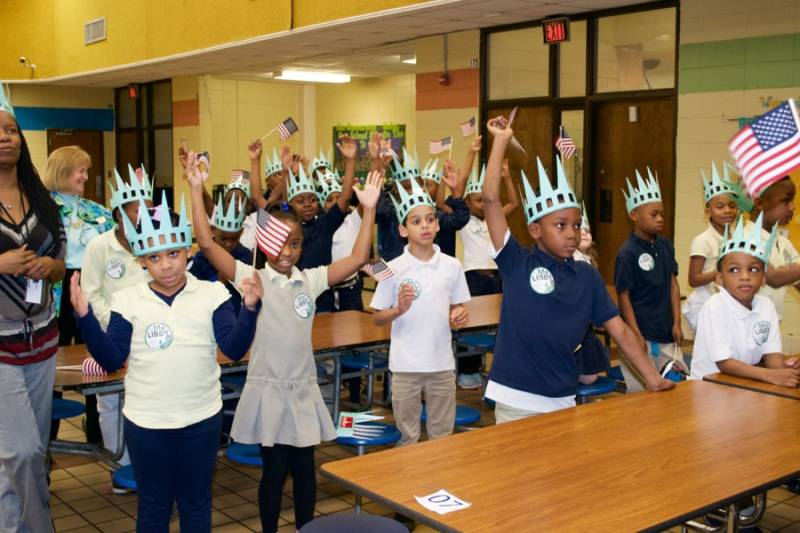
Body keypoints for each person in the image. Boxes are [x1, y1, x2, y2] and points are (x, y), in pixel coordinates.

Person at [186, 151, 382, 533]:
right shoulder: (251, 276)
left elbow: (359, 257)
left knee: (306, 473)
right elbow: (208, 245)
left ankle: (305, 530)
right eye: (278, 243)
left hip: (303, 391)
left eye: (294, 244)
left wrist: (368, 209)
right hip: (270, 391)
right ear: (263, 242)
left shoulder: (310, 280)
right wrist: (196, 189)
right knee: (273, 474)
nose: (286, 252)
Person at [72, 193, 260, 532]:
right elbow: (113, 358)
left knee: (196, 503)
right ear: (142, 261)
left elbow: (233, 349)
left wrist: (248, 309)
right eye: (155, 257)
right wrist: (85, 318)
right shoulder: (127, 299)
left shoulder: (211, 293)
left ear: (189, 251)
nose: (166, 265)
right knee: (154, 506)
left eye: (174, 253)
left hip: (201, 418)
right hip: (146, 423)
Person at [481, 114, 673, 423]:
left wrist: (651, 377)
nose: (571, 232)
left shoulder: (586, 276)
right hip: (515, 397)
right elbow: (490, 200)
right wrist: (500, 141)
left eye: (576, 224)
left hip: (562, 397)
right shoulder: (517, 261)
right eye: (560, 225)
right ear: (534, 230)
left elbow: (620, 330)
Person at [0, 82, 66, 533]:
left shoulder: (40, 198)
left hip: (42, 339)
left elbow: (64, 264)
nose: (6, 136)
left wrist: (49, 266)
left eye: (11, 129)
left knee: (26, 451)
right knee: (21, 452)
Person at [372, 176, 470, 445]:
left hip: (442, 364)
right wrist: (397, 310)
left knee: (442, 437)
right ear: (403, 230)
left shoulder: (452, 266)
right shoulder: (391, 268)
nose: (424, 225)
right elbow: (378, 318)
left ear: (438, 224)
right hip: (405, 367)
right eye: (416, 221)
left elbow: (458, 310)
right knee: (408, 436)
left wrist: (459, 315)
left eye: (429, 219)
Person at [80, 165, 154, 489]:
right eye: (136, 208)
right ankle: (119, 466)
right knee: (111, 402)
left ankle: (147, 464)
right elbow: (90, 291)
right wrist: (116, 323)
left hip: (150, 338)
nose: (142, 214)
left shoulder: (154, 242)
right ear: (119, 213)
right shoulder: (100, 246)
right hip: (111, 335)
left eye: (147, 206)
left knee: (146, 399)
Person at [43, 145, 112, 446]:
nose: (86, 175)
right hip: (54, 289)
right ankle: (48, 441)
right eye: (80, 170)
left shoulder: (98, 211)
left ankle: (99, 434)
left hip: (91, 286)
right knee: (52, 362)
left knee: (95, 356)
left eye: (86, 169)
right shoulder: (40, 207)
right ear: (62, 171)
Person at [689, 213, 800, 385]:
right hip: (709, 387)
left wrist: (785, 371)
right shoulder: (714, 306)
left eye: (754, 270)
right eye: (734, 270)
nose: (745, 276)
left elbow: (772, 356)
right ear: (719, 278)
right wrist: (770, 375)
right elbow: (724, 363)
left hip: (743, 383)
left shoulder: (766, 306)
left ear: (764, 279)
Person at [614, 168, 685, 392]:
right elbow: (623, 296)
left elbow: (673, 283)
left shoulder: (665, 245)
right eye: (654, 214)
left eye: (662, 214)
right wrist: (635, 334)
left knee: (677, 386)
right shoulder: (627, 253)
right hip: (641, 334)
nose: (660, 219)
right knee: (641, 395)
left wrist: (677, 322)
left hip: (666, 332)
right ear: (634, 215)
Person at [456, 160, 518, 390]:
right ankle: (467, 370)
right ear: (467, 202)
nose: (482, 204)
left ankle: (494, 369)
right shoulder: (463, 221)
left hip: (496, 278)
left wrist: (507, 177)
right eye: (477, 200)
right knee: (470, 325)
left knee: (498, 324)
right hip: (473, 279)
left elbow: (514, 202)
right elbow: (445, 203)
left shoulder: (494, 217)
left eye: (485, 199)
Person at [376, 149, 468, 261]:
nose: (410, 192)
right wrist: (377, 174)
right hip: (396, 272)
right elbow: (376, 212)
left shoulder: (450, 266)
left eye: (414, 185)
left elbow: (459, 219)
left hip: (431, 271)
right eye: (405, 187)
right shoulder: (389, 213)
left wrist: (456, 193)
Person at [682, 163, 740, 333]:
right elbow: (693, 279)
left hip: (730, 305)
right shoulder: (703, 240)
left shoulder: (738, 238)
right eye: (720, 207)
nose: (728, 211)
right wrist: (721, 273)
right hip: (707, 305)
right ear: (708, 212)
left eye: (732, 205)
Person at [189, 176, 253, 313]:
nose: (229, 244)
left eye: (234, 239)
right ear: (212, 231)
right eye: (223, 239)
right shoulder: (201, 258)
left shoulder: (246, 256)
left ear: (241, 232)